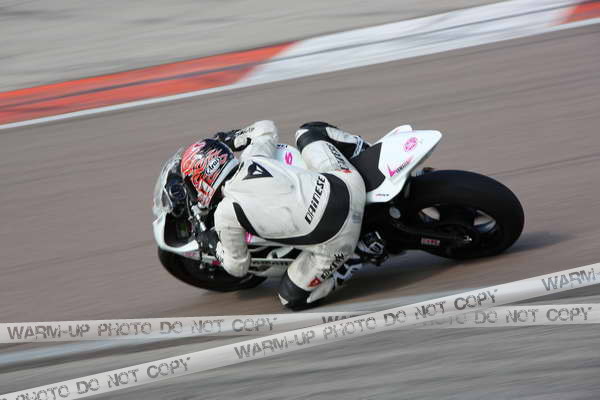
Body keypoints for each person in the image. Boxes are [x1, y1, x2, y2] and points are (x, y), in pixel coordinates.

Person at [180, 120, 379, 309]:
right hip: (349, 184)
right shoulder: (253, 157)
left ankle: (360, 253)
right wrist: (231, 139)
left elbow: (238, 267)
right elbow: (266, 128)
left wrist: (212, 244)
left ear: (202, 182)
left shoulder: (225, 214)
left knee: (290, 297)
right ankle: (367, 152)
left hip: (340, 240)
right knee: (308, 131)